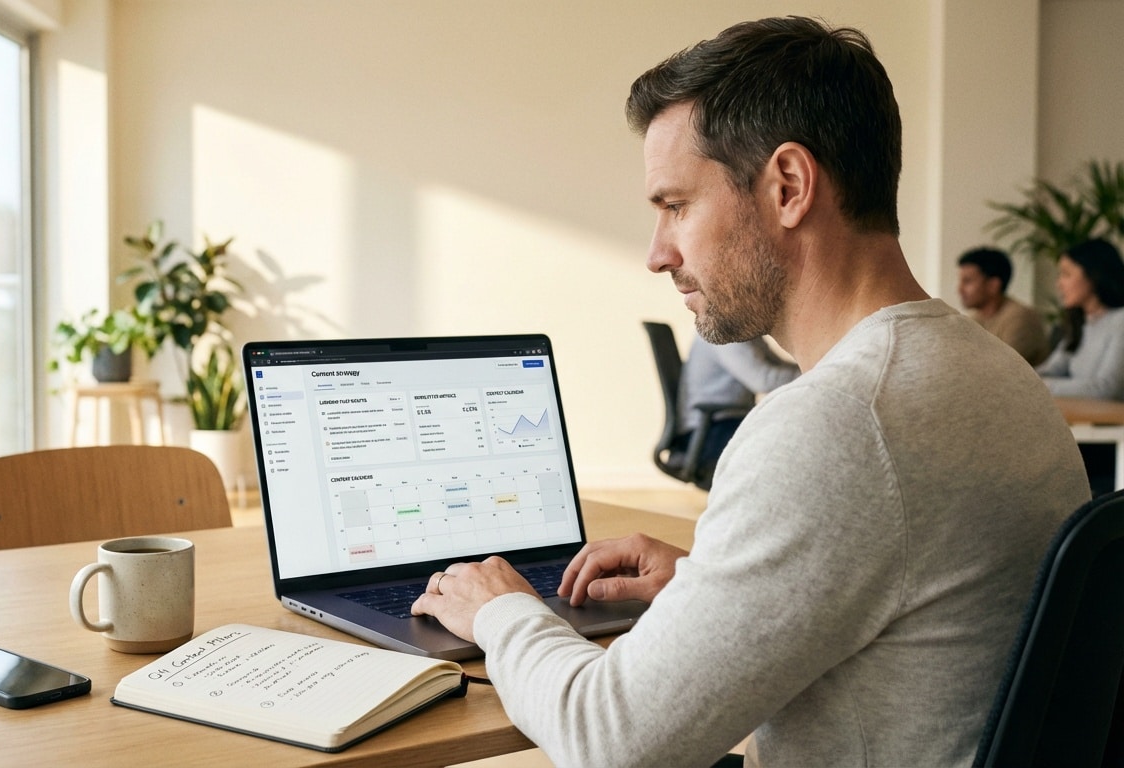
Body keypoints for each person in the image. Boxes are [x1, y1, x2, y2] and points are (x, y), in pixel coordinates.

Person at [410, 16, 1089, 767]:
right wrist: (706, 586)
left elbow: (611, 741)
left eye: (676, 206)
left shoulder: (836, 423)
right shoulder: (992, 371)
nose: (656, 254)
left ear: (789, 187)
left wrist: (501, 611)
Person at [671, 332, 799, 487]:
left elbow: (776, 365)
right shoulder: (722, 334)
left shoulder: (748, 332)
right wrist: (817, 372)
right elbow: (763, 380)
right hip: (710, 433)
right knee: (788, 447)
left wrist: (815, 366)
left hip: (722, 423)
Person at [1036, 238, 1124, 400]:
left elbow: (1107, 388)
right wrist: (1018, 379)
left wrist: (1040, 385)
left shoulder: (1120, 322)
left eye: (1066, 274)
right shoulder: (1081, 322)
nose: (1059, 284)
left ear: (1094, 275)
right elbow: (1051, 369)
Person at [956, 246, 1049, 365]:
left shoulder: (1020, 318)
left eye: (968, 281)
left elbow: (1001, 368)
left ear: (993, 285)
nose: (960, 289)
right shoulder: (975, 318)